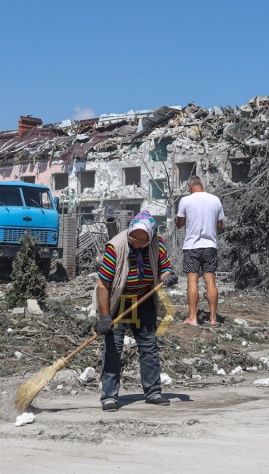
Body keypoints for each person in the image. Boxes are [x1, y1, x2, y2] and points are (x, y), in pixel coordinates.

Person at [96, 210, 178, 412]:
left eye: (142, 241)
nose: (137, 243)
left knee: (148, 345)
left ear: (150, 237)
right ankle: (109, 397)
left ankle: (153, 392)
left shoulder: (156, 243)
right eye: (134, 238)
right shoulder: (116, 246)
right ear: (129, 231)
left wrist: (168, 276)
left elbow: (164, 267)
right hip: (118, 300)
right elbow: (103, 285)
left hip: (143, 299)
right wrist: (105, 316)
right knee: (113, 348)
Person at [175, 175, 225, 327]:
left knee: (192, 281)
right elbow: (220, 225)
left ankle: (193, 318)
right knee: (211, 281)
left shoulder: (185, 201)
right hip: (210, 245)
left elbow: (179, 224)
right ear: (202, 185)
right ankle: (213, 318)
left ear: (189, 187)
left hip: (192, 247)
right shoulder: (215, 200)